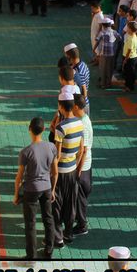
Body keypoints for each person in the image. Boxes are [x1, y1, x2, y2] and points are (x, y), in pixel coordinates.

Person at [12, 117, 58, 260]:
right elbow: (55, 172)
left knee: (30, 224)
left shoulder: (26, 152)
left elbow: (19, 177)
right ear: (43, 130)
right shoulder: (51, 147)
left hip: (31, 190)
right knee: (48, 219)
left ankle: (31, 256)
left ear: (29, 129)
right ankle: (49, 250)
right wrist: (53, 190)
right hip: (47, 188)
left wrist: (16, 194)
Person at [52, 95, 84, 246]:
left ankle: (58, 237)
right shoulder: (80, 123)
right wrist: (75, 166)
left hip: (60, 172)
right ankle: (68, 233)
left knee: (56, 204)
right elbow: (81, 150)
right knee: (70, 204)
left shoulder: (60, 128)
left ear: (61, 106)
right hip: (72, 170)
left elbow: (57, 155)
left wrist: (51, 170)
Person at [72, 95, 92, 237]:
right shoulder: (83, 119)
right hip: (85, 164)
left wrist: (78, 170)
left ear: (76, 107)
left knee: (80, 196)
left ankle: (82, 225)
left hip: (83, 166)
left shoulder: (83, 124)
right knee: (81, 195)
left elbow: (83, 150)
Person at [95, 18, 120, 89]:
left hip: (103, 54)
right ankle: (108, 84)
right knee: (110, 69)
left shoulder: (102, 32)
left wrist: (94, 49)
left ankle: (103, 84)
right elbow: (119, 38)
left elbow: (97, 40)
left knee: (103, 69)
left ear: (103, 25)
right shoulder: (114, 32)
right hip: (111, 54)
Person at [121, 21, 137, 92]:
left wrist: (125, 59)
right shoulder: (132, 35)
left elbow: (129, 50)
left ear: (131, 30)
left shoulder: (131, 39)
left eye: (128, 28)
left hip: (130, 58)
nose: (127, 29)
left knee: (130, 73)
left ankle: (129, 87)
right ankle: (127, 84)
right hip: (128, 57)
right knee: (127, 72)